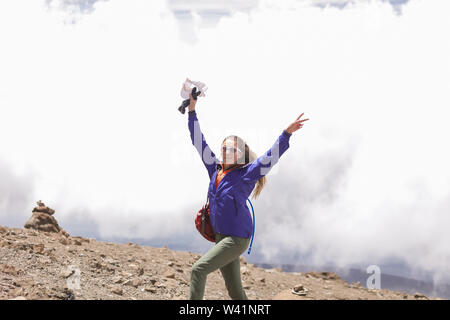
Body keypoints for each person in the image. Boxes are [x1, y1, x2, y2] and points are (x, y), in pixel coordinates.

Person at [187, 91, 309, 300]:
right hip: (221, 237)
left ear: (240, 154)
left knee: (198, 270)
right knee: (235, 292)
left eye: (232, 149)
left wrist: (286, 134)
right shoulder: (214, 169)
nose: (226, 152)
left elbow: (270, 158)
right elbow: (199, 141)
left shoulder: (246, 174)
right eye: (224, 148)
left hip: (236, 239)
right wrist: (192, 111)